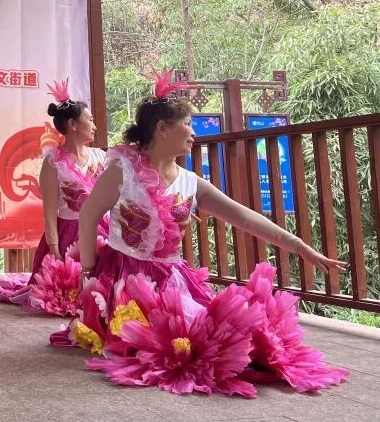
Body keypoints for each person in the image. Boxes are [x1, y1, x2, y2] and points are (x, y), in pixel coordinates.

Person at [51, 70, 348, 396]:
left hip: (173, 278)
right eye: (188, 124)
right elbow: (89, 216)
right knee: (167, 348)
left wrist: (299, 245)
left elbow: (244, 217)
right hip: (124, 277)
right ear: (162, 129)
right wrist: (90, 273)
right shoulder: (122, 170)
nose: (193, 132)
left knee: (224, 341)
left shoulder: (190, 183)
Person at [0, 79, 106, 313]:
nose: (94, 126)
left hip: (101, 230)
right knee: (65, 294)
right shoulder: (53, 162)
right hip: (70, 233)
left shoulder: (100, 157)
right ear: (72, 124)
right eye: (89, 120)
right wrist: (54, 248)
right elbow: (49, 210)